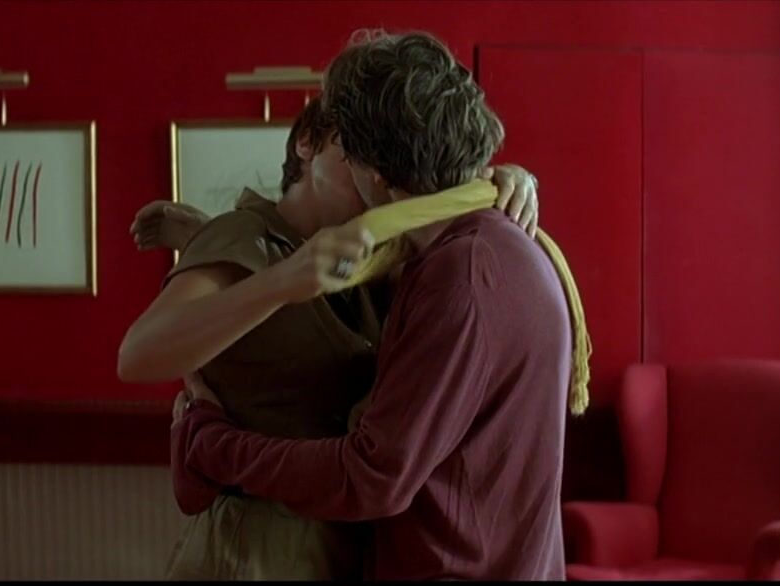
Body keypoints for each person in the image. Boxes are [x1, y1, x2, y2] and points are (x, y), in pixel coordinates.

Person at [170, 31, 571, 580]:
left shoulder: (461, 275)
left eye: (346, 150)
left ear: (374, 172)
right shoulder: (486, 248)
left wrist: (211, 445)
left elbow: (372, 478)